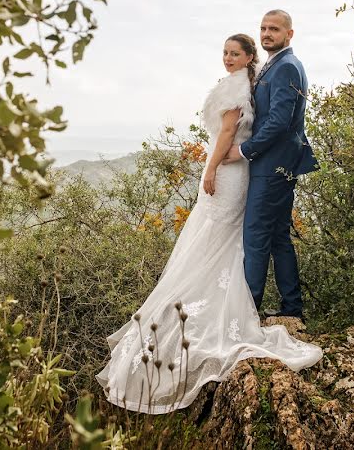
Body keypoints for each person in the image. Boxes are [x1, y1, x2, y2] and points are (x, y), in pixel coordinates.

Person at [95, 32, 322, 414]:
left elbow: (230, 132)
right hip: (238, 169)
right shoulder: (247, 82)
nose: (228, 58)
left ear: (249, 57)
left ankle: (240, 303)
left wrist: (213, 166)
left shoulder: (238, 88)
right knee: (225, 237)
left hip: (230, 170)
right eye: (225, 52)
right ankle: (252, 298)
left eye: (235, 53)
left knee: (220, 236)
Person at [224, 10, 319, 319]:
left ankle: (247, 313)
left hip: (272, 165)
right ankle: (292, 309)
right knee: (279, 236)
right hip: (277, 163)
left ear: (289, 34)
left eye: (274, 29)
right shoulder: (273, 65)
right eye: (263, 28)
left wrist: (244, 150)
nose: (266, 33)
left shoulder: (287, 67)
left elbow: (278, 121)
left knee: (255, 236)